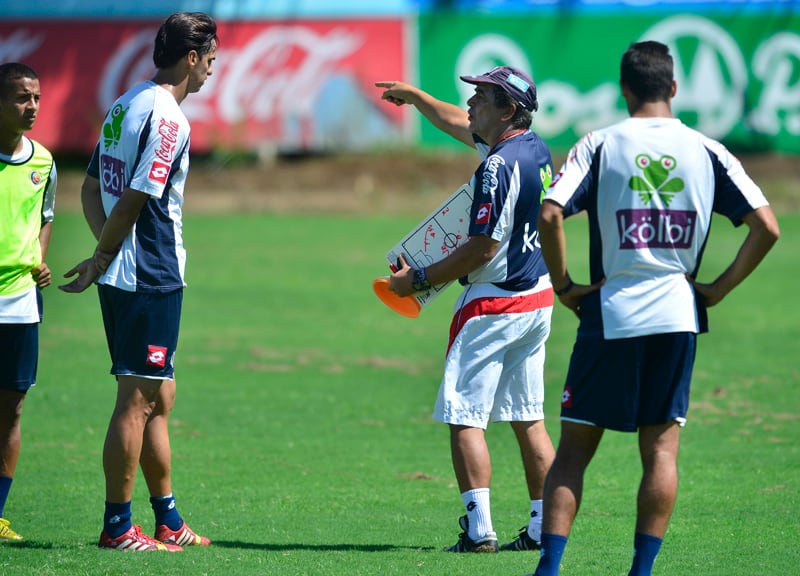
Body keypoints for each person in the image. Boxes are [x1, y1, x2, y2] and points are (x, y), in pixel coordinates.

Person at [531, 41, 780, 576]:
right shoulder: (708, 150)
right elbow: (767, 226)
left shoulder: (600, 143)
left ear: (624, 91)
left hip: (611, 309)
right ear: (672, 88)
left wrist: (565, 285)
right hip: (677, 314)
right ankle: (640, 573)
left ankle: (548, 571)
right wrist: (718, 288)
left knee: (574, 450)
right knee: (661, 452)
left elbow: (551, 213)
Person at [376, 67, 556, 553]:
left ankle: (479, 532)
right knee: (529, 417)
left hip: (494, 304)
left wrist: (415, 281)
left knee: (465, 417)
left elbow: (480, 249)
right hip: (536, 298)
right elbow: (459, 121)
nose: (471, 101)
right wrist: (416, 96)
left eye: (483, 96)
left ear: (508, 111)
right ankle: (544, 527)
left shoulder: (497, 167)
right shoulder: (534, 147)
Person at [58, 12, 218, 552]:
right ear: (191, 58)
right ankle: (117, 527)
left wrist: (106, 254)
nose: (213, 72)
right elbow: (136, 196)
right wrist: (108, 256)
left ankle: (167, 518)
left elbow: (87, 189)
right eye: (211, 60)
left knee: (158, 395)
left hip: (126, 272)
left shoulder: (125, 102)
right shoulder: (169, 118)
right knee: (137, 399)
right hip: (149, 274)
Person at [0, 62, 56, 542]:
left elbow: (46, 215)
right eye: (21, 97)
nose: (31, 106)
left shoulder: (43, 161)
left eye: (36, 97)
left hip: (20, 303)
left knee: (12, 409)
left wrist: (39, 257)